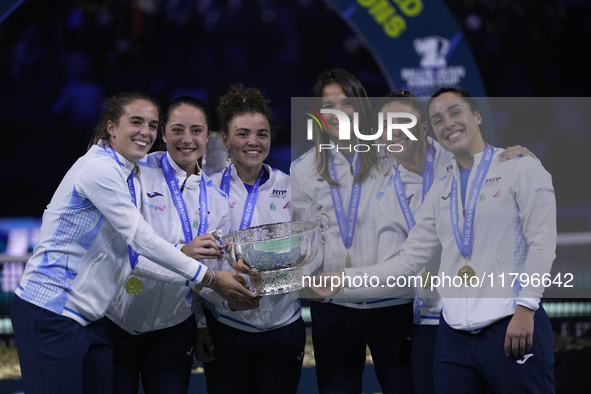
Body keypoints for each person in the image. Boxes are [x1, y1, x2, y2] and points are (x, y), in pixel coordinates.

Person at [311, 88, 556, 394]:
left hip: (509, 321)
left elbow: (542, 243)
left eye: (455, 112)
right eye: (439, 118)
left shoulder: (519, 166)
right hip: (452, 334)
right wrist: (340, 280)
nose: (447, 123)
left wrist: (526, 308)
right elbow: (407, 262)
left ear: (477, 115)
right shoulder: (441, 189)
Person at [11, 92, 254, 394]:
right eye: (136, 122)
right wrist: (210, 277)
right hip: (51, 310)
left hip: (92, 318)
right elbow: (142, 240)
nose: (145, 132)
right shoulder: (101, 169)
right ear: (112, 127)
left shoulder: (130, 172)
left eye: (151, 125)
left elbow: (134, 258)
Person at [104, 96, 256, 394]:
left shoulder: (216, 199)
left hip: (174, 328)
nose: (187, 139)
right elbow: (125, 249)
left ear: (208, 135)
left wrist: (201, 323)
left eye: (196, 130)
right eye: (177, 129)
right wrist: (182, 252)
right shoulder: (135, 172)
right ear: (162, 133)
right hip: (118, 321)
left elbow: (208, 271)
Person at [291, 69, 415, 394]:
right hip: (334, 307)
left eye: (346, 103)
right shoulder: (303, 169)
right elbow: (307, 242)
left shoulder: (392, 155)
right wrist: (297, 276)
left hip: (392, 302)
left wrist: (504, 156)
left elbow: (449, 154)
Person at [195, 84, 306, 394]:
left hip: (285, 327)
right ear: (226, 140)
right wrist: (202, 323)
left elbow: (310, 248)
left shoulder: (291, 186)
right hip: (229, 328)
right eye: (243, 134)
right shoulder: (206, 191)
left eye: (262, 134)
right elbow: (194, 265)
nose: (253, 142)